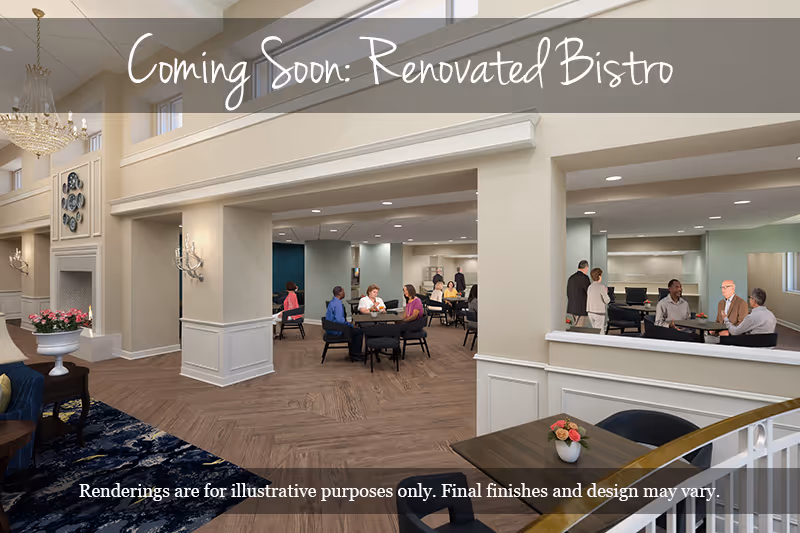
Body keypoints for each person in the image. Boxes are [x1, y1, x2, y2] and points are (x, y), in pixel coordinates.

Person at [325, 286, 364, 358]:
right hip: (336, 330)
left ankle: (353, 352)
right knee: (358, 331)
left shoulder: (333, 302)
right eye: (343, 292)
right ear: (339, 293)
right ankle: (356, 355)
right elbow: (339, 321)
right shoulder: (338, 304)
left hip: (330, 328)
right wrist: (351, 325)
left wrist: (348, 323)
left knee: (354, 329)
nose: (344, 293)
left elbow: (338, 319)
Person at [567, 260, 591, 327]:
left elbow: (568, 293)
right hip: (581, 309)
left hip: (572, 308)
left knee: (575, 327)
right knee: (579, 329)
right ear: (586, 267)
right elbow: (589, 292)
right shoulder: (585, 278)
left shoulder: (571, 278)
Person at [585, 268, 610, 334]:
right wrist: (606, 292)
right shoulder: (601, 287)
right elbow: (607, 300)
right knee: (600, 332)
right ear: (599, 276)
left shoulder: (589, 287)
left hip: (590, 312)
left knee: (595, 331)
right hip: (599, 313)